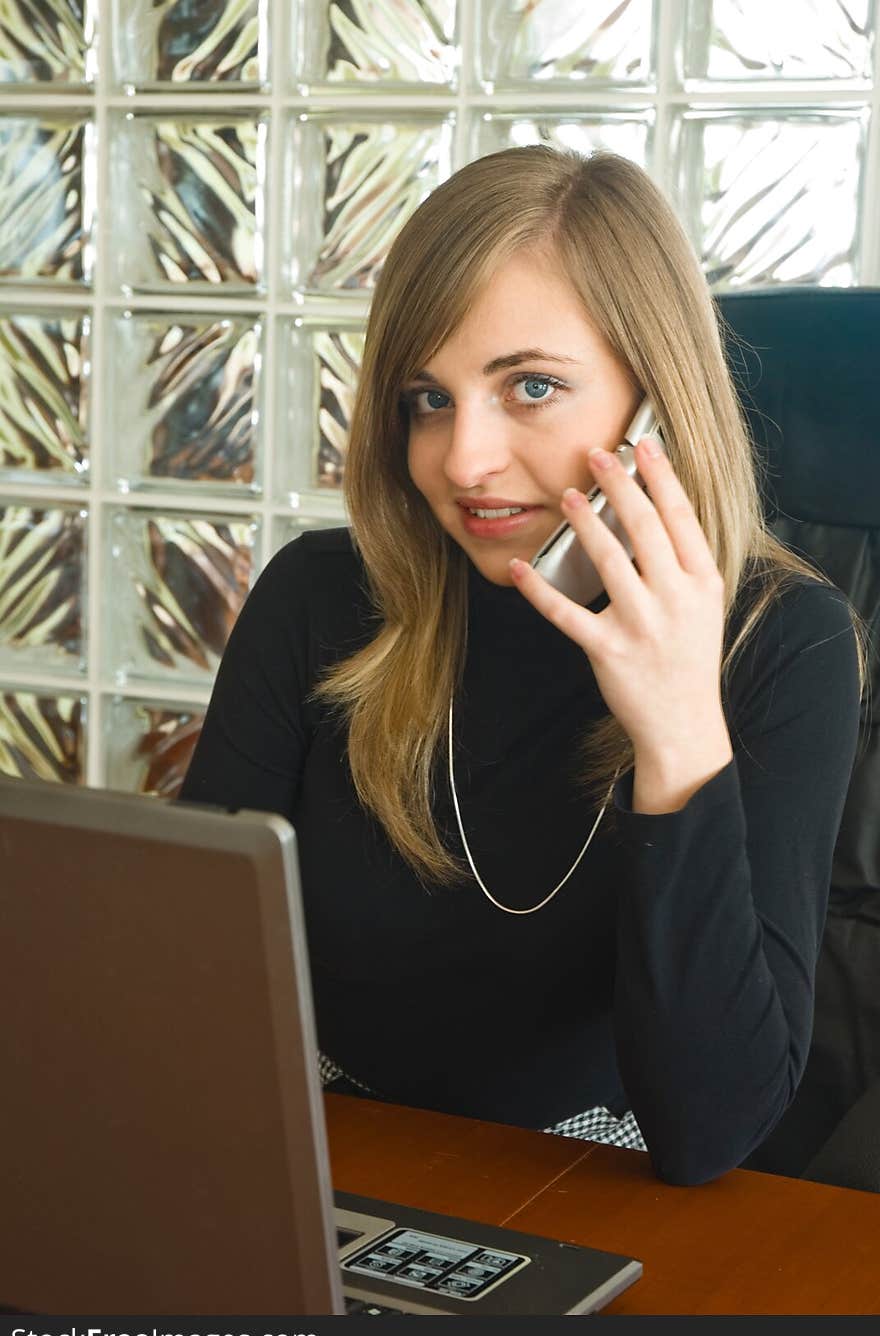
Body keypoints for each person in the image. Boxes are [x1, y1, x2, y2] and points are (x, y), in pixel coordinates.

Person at [179, 146, 863, 1185]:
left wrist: (675, 727)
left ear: (657, 404)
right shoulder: (322, 597)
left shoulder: (783, 640)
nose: (461, 461)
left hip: (583, 1191)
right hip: (318, 1162)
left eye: (531, 386)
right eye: (428, 397)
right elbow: (187, 969)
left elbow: (711, 1128)